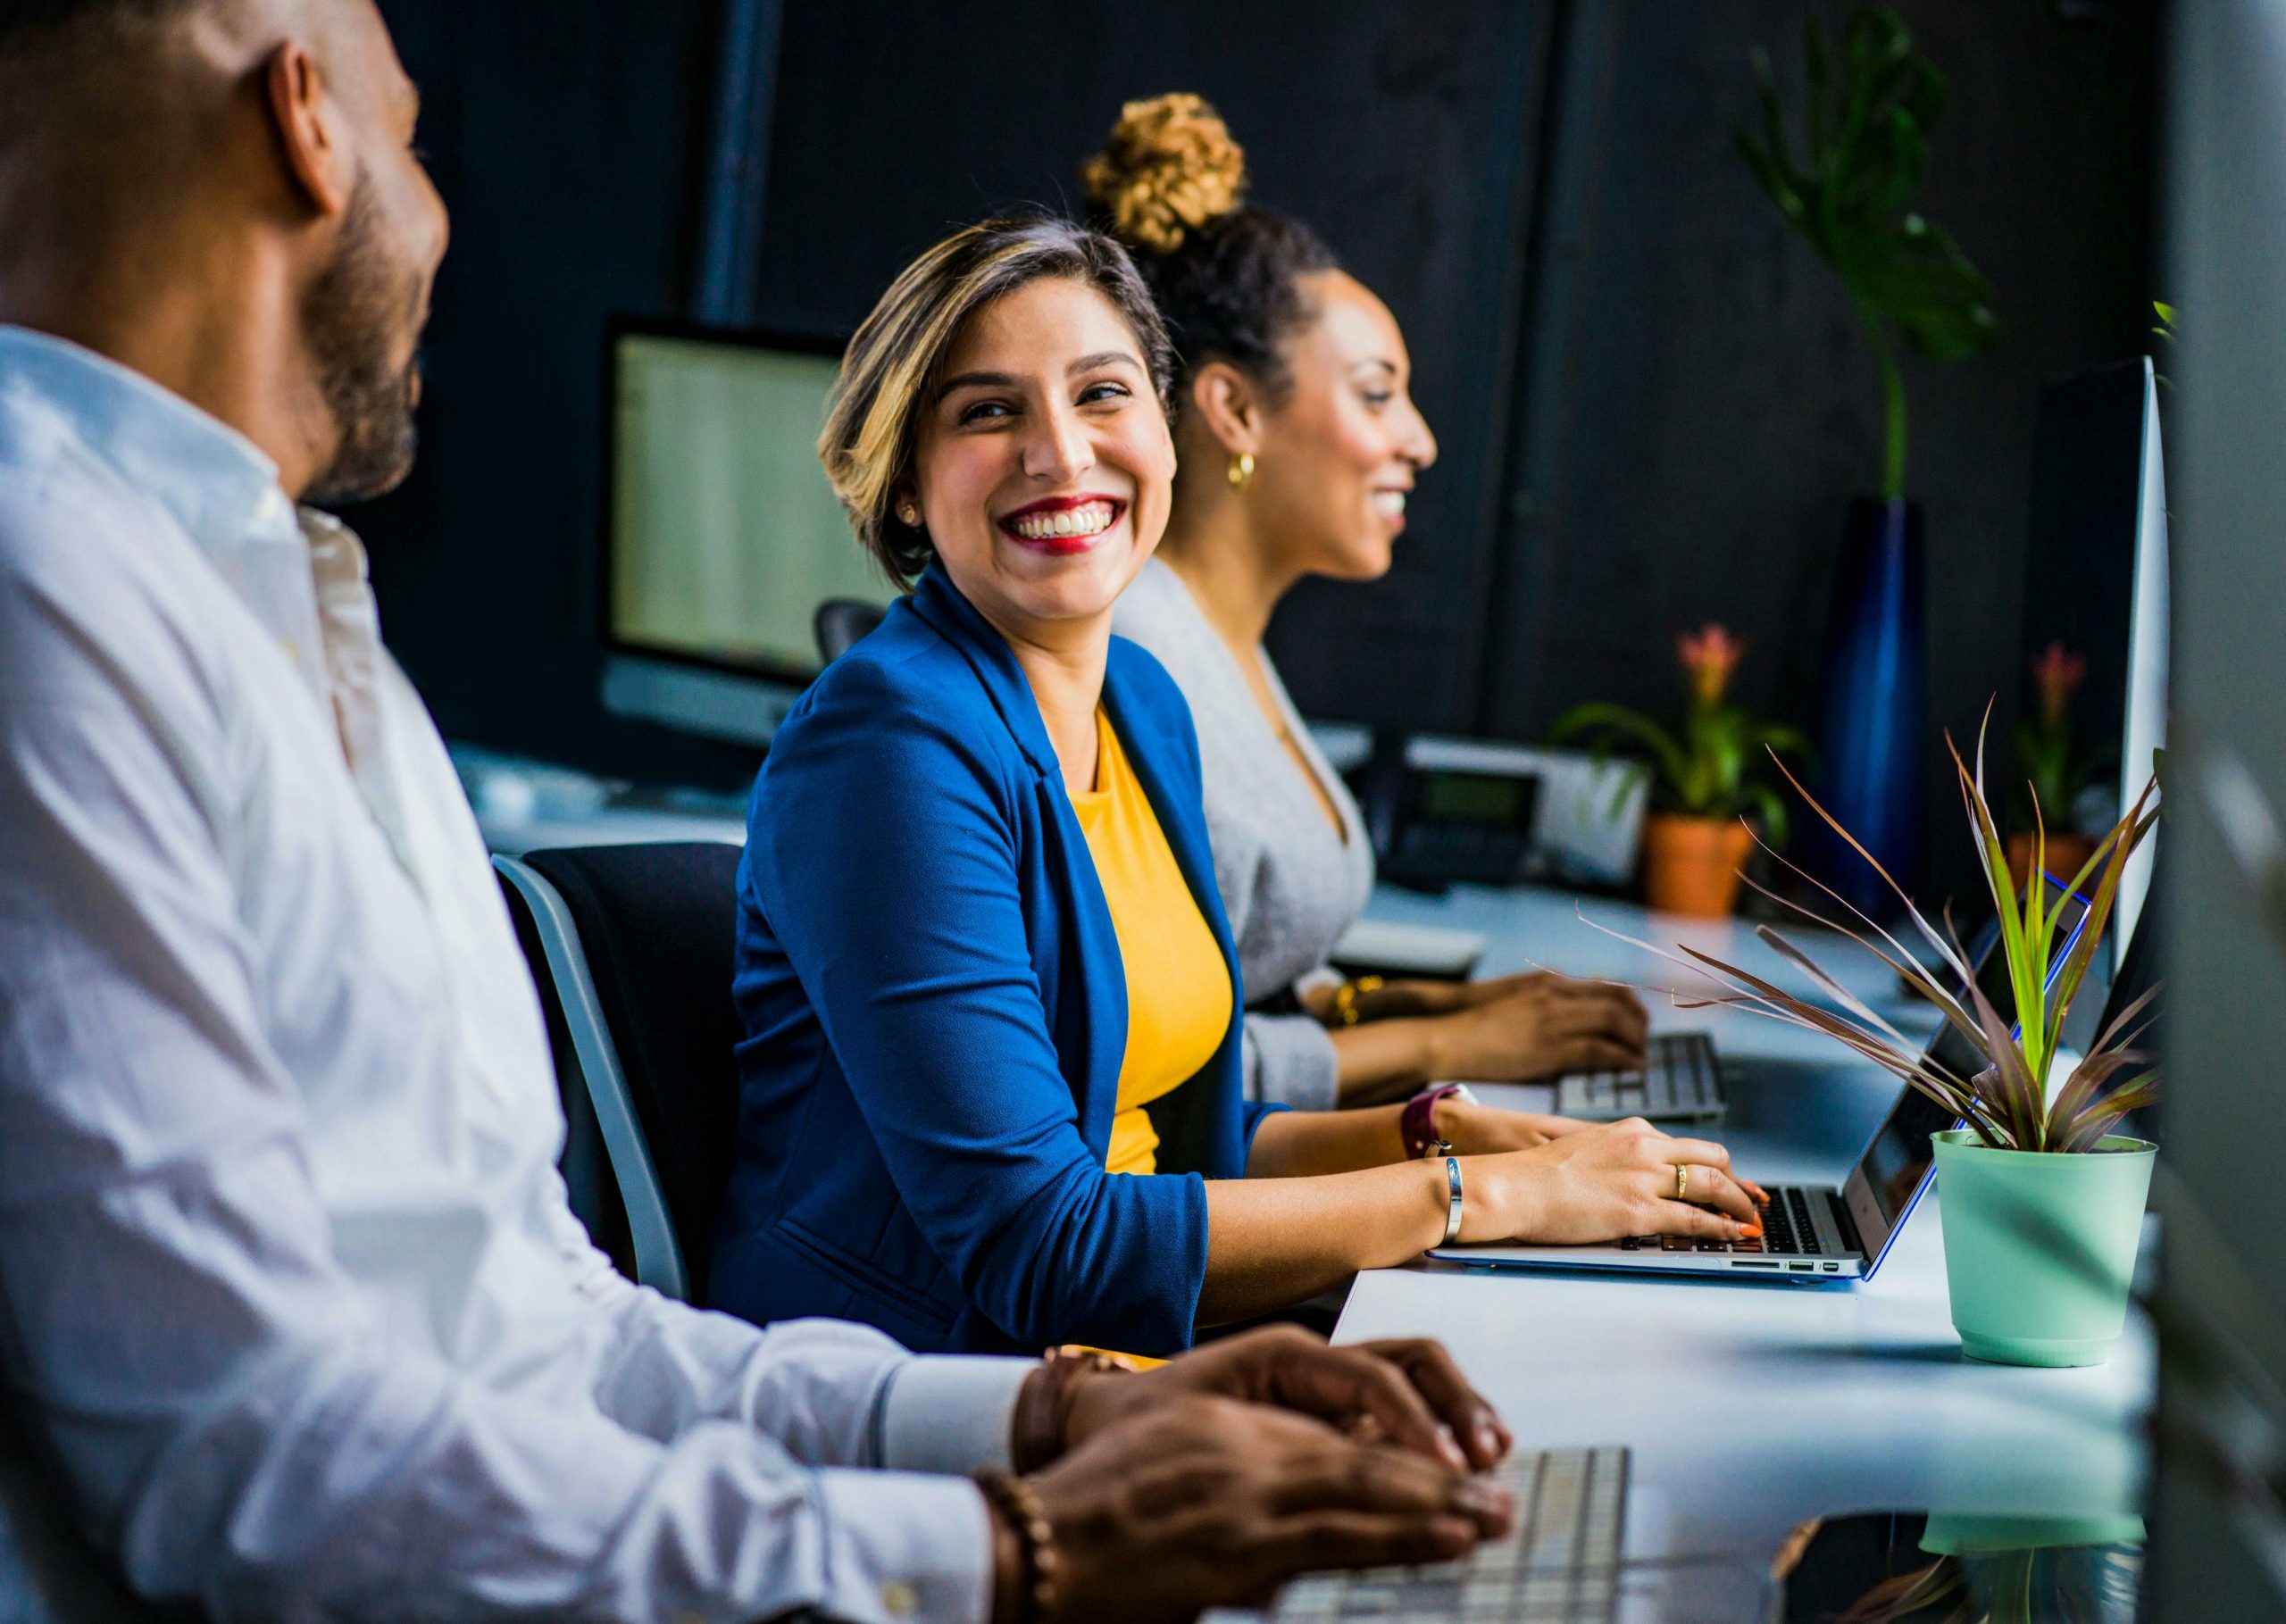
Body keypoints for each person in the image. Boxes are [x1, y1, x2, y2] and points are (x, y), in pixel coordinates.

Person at [0, 4, 1523, 1620]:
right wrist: (1017, 1541)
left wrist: (1056, 1419)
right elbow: (252, 1464)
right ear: (309, 125)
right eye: (415, 138)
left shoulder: (280, 598)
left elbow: (544, 1329)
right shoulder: (55, 594)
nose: (438, 218)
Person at [716, 212, 1764, 1359]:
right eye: (987, 411)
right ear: (908, 485)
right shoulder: (888, 746)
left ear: (1167, 433)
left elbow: (1181, 1149)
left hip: (1132, 1357)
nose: (1061, 453)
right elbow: (1041, 1244)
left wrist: (1439, 1136)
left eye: (1103, 394)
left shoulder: (1145, 704)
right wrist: (1484, 1198)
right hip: (931, 1394)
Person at [1092, 93, 1654, 1113]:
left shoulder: (1223, 644)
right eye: (1375, 392)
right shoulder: (1138, 664)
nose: (1419, 440)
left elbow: (1243, 979)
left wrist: (1429, 1004)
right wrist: (1444, 1041)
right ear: (1234, 408)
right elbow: (1151, 1072)